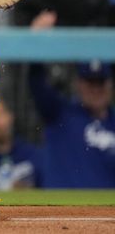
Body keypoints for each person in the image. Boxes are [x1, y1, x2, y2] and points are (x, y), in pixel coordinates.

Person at [28, 60, 115, 188]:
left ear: (110, 84)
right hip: (61, 204)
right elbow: (36, 78)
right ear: (78, 84)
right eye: (90, 82)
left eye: (100, 82)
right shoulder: (59, 112)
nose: (96, 89)